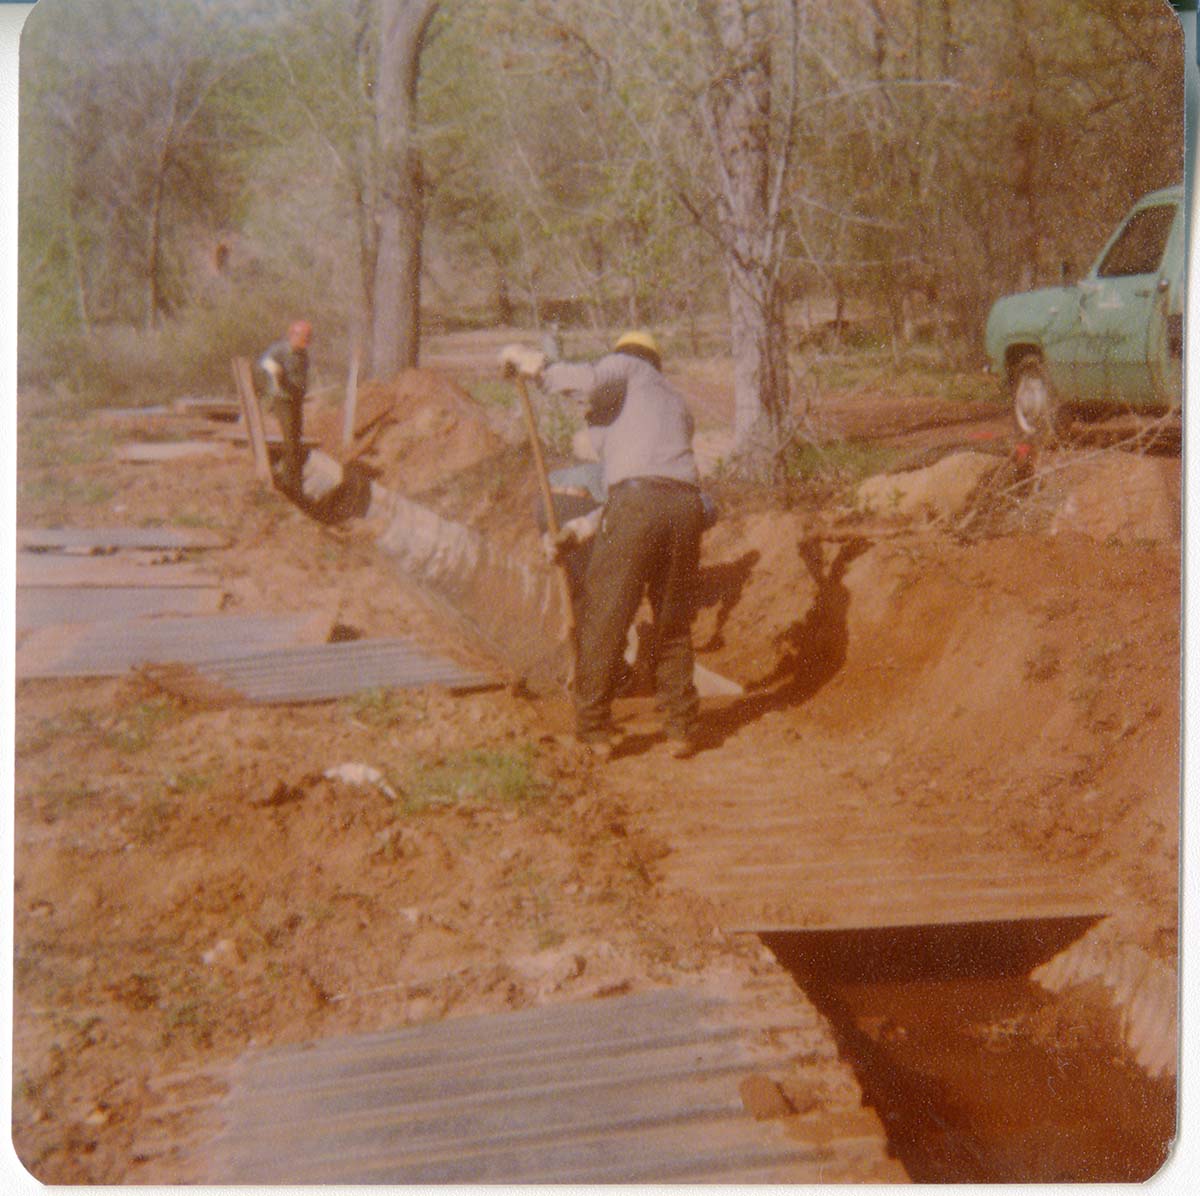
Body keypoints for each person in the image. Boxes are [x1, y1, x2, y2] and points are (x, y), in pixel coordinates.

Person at [501, 330, 706, 759]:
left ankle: (593, 728)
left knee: (604, 614)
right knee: (673, 621)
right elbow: (652, 487)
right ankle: (682, 727)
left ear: (628, 355)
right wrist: (579, 531)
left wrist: (535, 365)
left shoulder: (628, 367)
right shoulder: (674, 402)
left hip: (639, 504)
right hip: (686, 509)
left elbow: (590, 383)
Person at [254, 319, 312, 494]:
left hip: (296, 400)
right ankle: (290, 483)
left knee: (297, 438)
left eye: (306, 340)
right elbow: (263, 362)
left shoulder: (303, 355)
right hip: (282, 399)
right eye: (302, 339)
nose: (304, 344)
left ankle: (295, 480)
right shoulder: (280, 349)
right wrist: (275, 370)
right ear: (292, 336)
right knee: (290, 440)